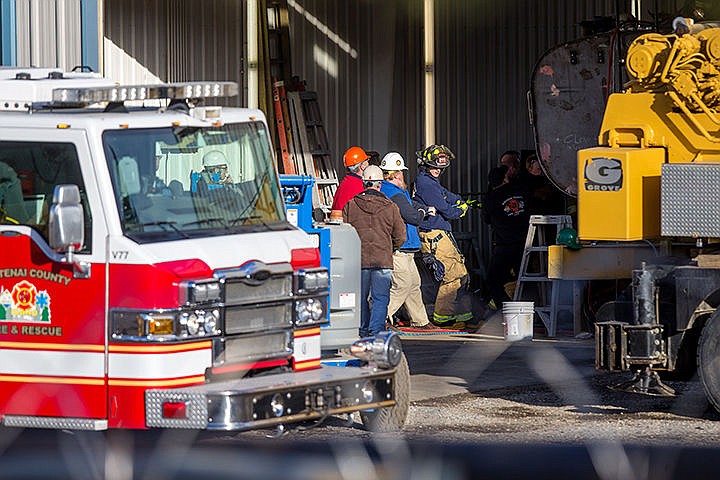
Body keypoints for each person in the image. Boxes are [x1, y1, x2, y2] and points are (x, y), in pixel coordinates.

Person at [412, 144, 474, 327]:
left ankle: (461, 316)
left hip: (439, 233)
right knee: (452, 275)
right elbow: (446, 210)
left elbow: (448, 196)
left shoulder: (431, 182)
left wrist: (460, 201)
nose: (437, 170)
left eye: (440, 168)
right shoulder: (426, 183)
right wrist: (460, 211)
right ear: (425, 165)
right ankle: (443, 317)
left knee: (461, 274)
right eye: (434, 167)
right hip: (434, 236)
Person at [343, 165, 406, 337]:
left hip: (359, 261)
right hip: (382, 260)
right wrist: (390, 249)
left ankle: (362, 330)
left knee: (360, 298)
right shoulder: (390, 207)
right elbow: (400, 235)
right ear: (380, 184)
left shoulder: (350, 205)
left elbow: (344, 234)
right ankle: (376, 331)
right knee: (380, 299)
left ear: (364, 183)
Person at [379, 152, 436, 331]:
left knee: (413, 284)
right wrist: (423, 212)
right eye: (401, 172)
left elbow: (410, 205)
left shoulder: (394, 191)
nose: (403, 175)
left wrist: (419, 207)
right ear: (396, 174)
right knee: (402, 284)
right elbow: (412, 217)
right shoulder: (394, 193)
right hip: (400, 247)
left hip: (406, 247)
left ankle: (420, 320)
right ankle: (381, 318)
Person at [482, 164, 531, 308]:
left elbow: (487, 220)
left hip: (504, 246)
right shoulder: (521, 191)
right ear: (505, 179)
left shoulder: (490, 199)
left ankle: (506, 309)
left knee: (493, 281)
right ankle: (530, 309)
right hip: (526, 244)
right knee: (525, 278)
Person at [330, 146, 371, 218]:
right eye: (367, 161)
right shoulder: (359, 186)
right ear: (363, 166)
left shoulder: (346, 183)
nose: (368, 164)